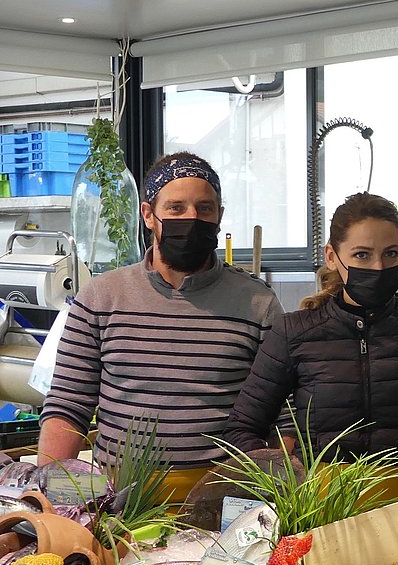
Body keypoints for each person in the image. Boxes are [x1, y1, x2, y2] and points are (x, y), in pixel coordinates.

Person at [39, 152, 284, 473]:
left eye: (204, 208)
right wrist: (47, 492)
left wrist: (274, 486)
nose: (192, 218)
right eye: (176, 208)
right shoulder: (101, 298)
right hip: (122, 502)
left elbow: (284, 413)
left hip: (224, 501)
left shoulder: (258, 304)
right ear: (148, 214)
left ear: (219, 216)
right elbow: (68, 406)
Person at [223, 192, 398, 468]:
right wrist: (286, 475)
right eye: (362, 255)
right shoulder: (294, 331)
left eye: (391, 253)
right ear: (332, 256)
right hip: (323, 500)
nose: (378, 267)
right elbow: (241, 429)